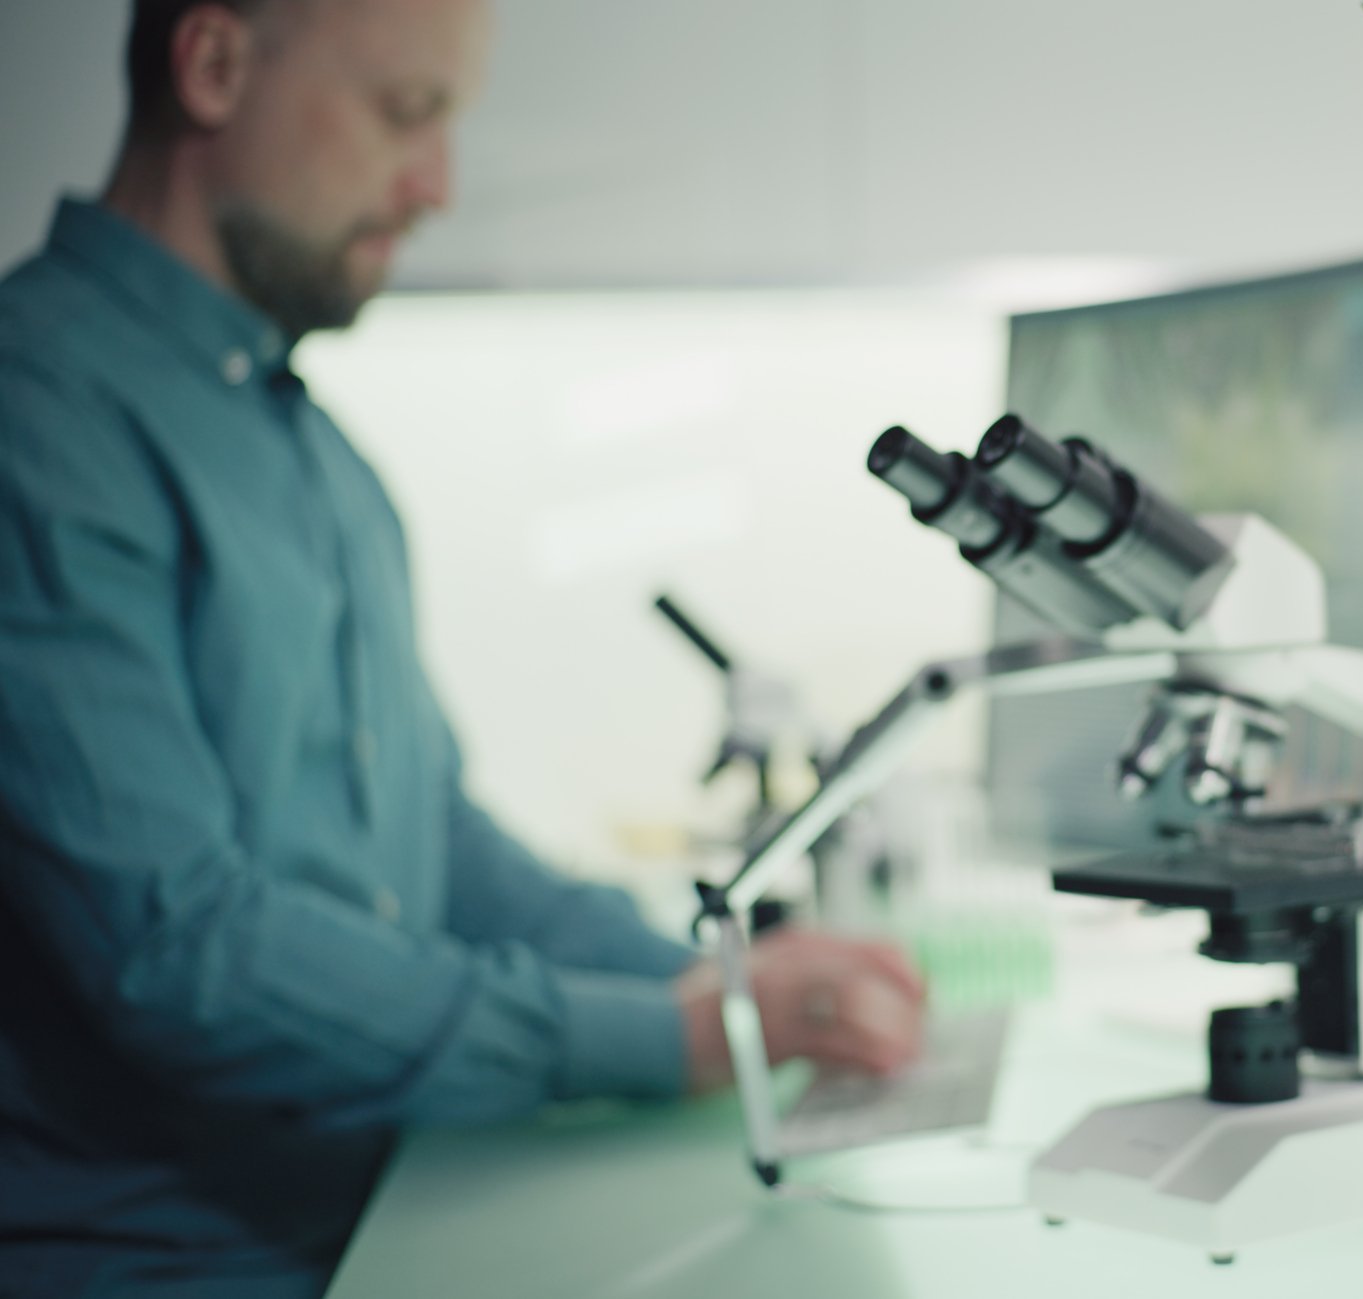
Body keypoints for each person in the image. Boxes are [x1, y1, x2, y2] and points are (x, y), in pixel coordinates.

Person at [0, 1, 927, 1293]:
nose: (435, 185)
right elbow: (181, 953)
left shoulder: (321, 459)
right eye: (405, 113)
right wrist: (667, 1038)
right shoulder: (35, 413)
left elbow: (436, 844)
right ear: (212, 66)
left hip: (382, 1198)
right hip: (174, 1262)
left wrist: (720, 979)